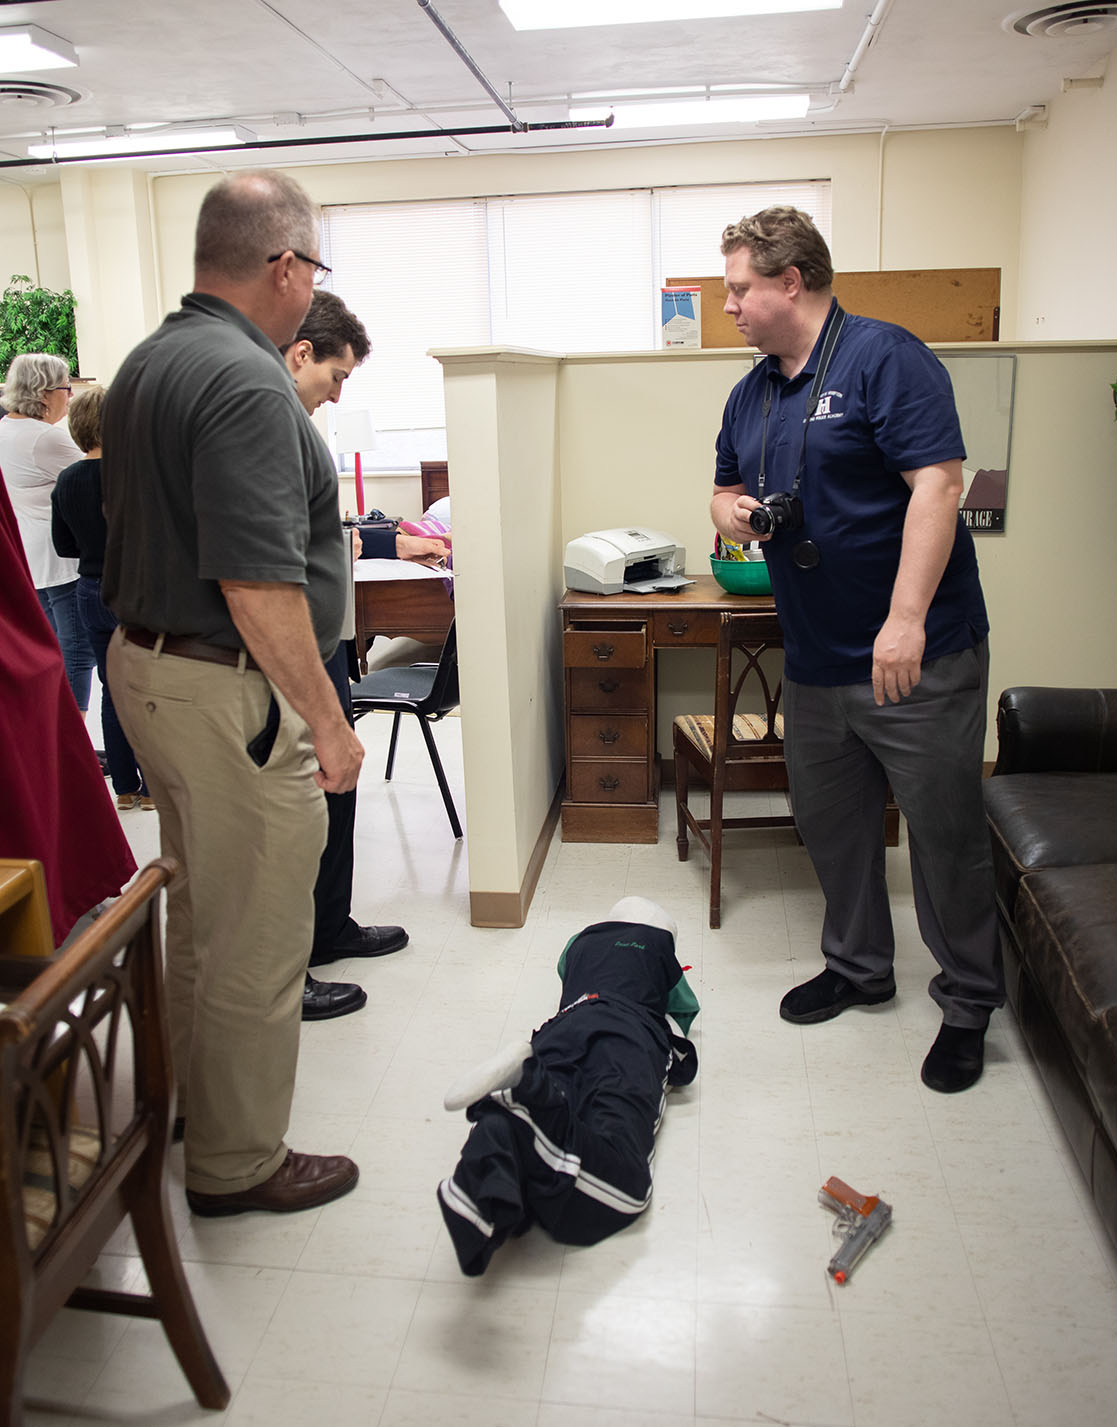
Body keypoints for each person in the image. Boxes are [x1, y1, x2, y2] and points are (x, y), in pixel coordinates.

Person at [101, 170, 365, 1216]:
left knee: (201, 912)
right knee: (258, 933)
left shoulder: (151, 360)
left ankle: (180, 1106)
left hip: (150, 674)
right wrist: (330, 724)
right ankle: (236, 1159)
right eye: (315, 269)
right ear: (287, 268)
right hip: (224, 687)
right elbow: (257, 585)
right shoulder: (250, 382)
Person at [709, 206, 1003, 1094]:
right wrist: (746, 516)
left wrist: (905, 617)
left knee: (945, 834)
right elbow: (723, 493)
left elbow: (938, 485)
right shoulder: (752, 390)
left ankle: (969, 1001)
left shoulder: (887, 357)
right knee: (833, 831)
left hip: (917, 655)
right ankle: (860, 966)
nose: (728, 306)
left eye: (737, 288)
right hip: (817, 656)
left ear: (789, 282)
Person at [278, 290, 449, 1020]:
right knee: (303, 809)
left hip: (324, 645)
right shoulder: (268, 424)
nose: (339, 392)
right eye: (336, 375)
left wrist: (386, 537)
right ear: (301, 353)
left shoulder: (299, 425)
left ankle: (330, 927)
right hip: (295, 657)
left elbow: (330, 529)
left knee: (336, 797)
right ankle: (296, 962)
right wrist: (390, 540)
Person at [437, 896, 698, 1276]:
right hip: (630, 1034)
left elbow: (564, 975)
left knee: (555, 1085)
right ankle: (532, 1092)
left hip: (564, 1024)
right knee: (623, 1166)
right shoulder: (660, 948)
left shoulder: (579, 942)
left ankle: (497, 1140)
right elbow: (683, 1008)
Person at [50, 386, 153, 812]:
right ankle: (153, 789)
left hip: (90, 590)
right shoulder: (135, 474)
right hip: (136, 590)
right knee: (150, 690)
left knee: (113, 690)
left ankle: (125, 787)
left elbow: (63, 545)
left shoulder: (68, 480)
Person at [0, 352, 94, 712]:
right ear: (44, 392)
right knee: (78, 654)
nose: (69, 397)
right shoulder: (43, 438)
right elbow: (98, 474)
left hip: (33, 556)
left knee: (57, 649)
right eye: (66, 389)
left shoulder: (5, 428)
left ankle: (63, 738)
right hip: (59, 558)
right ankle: (73, 745)